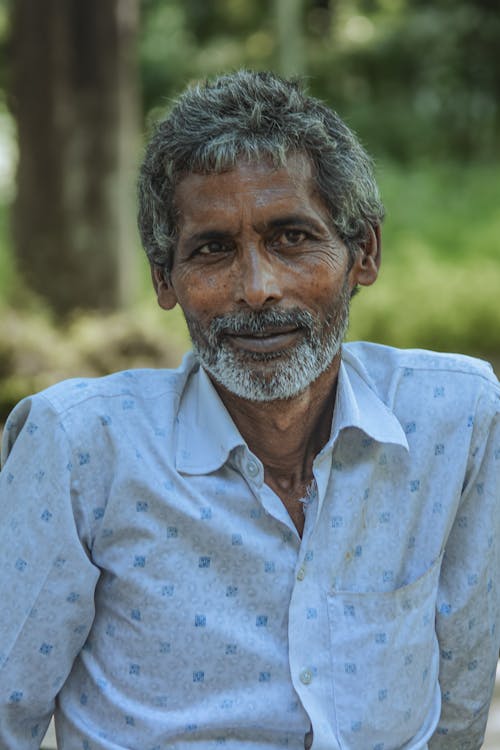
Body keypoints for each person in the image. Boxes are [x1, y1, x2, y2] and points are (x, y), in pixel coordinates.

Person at [0, 70, 498, 750]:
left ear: (364, 253)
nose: (257, 288)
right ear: (163, 280)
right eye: (212, 249)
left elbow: (461, 701)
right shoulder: (81, 447)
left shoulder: (458, 419)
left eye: (292, 237)